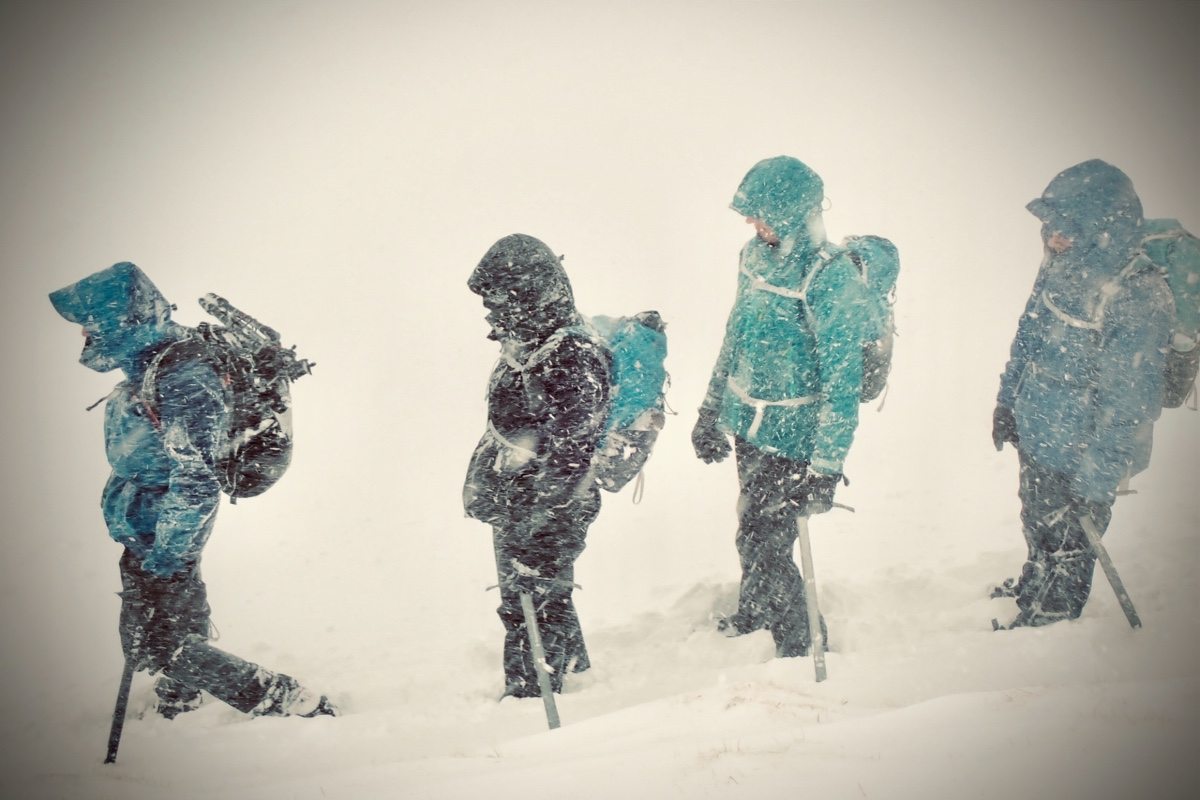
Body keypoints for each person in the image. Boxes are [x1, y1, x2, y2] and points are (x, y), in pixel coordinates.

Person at [50, 262, 336, 718]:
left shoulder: (182, 375)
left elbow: (196, 479)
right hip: (149, 521)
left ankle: (285, 700)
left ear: (124, 321)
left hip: (167, 525)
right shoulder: (151, 360)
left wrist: (169, 551)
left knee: (160, 640)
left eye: (92, 324)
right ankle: (181, 697)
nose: (85, 334)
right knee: (158, 626)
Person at [691, 156, 873, 658]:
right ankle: (756, 611)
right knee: (752, 525)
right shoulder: (754, 258)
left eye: (761, 214)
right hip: (748, 423)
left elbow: (842, 380)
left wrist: (826, 465)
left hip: (795, 433)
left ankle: (802, 643)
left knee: (767, 543)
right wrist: (711, 411)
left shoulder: (829, 276)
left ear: (794, 214)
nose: (752, 224)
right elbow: (737, 337)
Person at [992, 159, 1174, 628]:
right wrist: (1007, 401)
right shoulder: (1062, 265)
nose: (1053, 237)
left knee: (1072, 539)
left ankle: (1053, 621)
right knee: (1037, 520)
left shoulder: (1136, 292)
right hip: (1039, 426)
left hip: (1083, 447)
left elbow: (1130, 404)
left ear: (1100, 229)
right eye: (1050, 225)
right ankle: (1035, 584)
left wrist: (1095, 483)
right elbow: (1028, 336)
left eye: (1066, 227)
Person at [463, 234, 610, 698]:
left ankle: (531, 694)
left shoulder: (572, 355)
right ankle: (574, 671)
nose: (491, 313)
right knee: (542, 593)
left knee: (529, 597)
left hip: (552, 501)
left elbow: (574, 452)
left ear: (529, 294)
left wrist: (545, 526)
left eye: (499, 301)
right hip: (521, 494)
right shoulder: (529, 341)